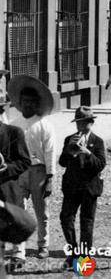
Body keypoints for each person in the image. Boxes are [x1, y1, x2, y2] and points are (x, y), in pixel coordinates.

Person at [6, 75, 56, 262]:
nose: (27, 104)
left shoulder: (44, 125)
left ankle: (43, 245)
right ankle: (19, 252)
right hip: (19, 173)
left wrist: (50, 177)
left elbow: (50, 152)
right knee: (18, 211)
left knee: (42, 211)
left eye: (31, 102)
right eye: (24, 101)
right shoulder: (15, 125)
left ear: (37, 103)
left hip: (38, 171)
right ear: (19, 102)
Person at [58, 107, 106, 267]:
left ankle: (84, 258)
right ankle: (73, 252)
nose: (80, 127)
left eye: (84, 123)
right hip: (72, 187)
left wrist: (87, 153)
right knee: (66, 218)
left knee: (86, 223)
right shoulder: (69, 139)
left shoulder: (98, 141)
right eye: (78, 123)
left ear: (91, 123)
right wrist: (69, 151)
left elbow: (100, 164)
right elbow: (62, 162)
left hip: (89, 188)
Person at [0, 88, 31, 272]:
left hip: (8, 188)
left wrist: (6, 168)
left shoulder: (14, 132)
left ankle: (19, 254)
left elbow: (24, 161)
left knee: (15, 222)